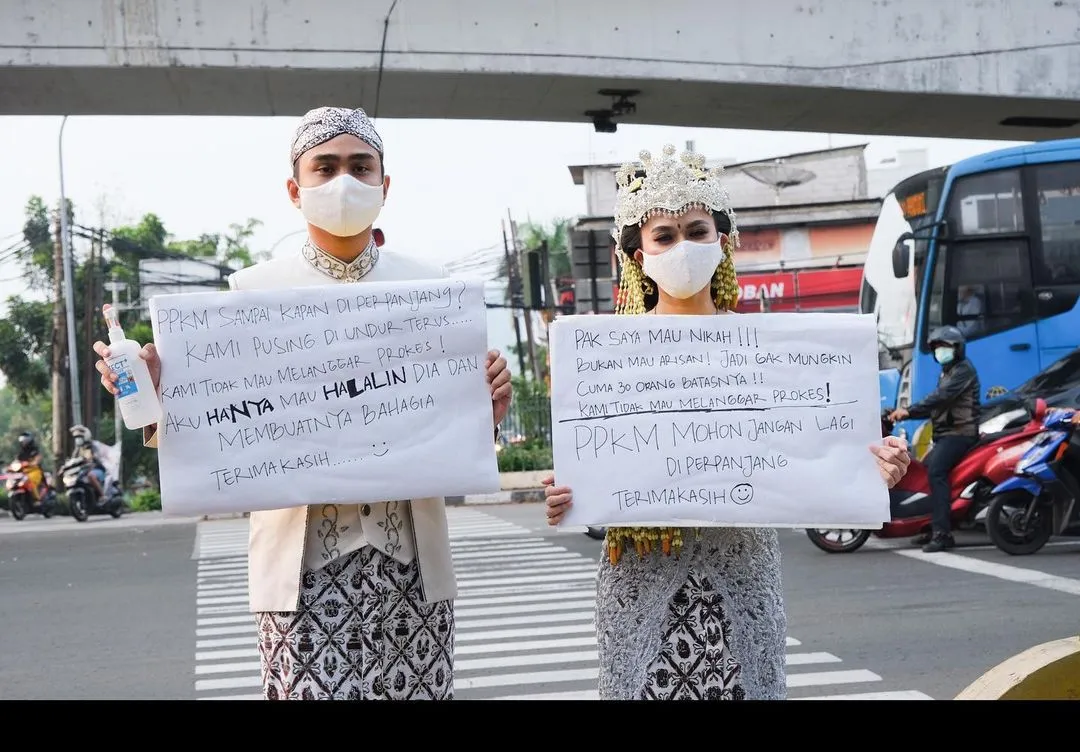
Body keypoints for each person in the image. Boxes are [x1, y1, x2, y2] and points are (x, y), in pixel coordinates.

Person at [92, 106, 513, 700]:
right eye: (326, 167)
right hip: (301, 578)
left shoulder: (432, 291)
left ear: (385, 185)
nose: (345, 181)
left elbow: (450, 433)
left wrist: (483, 415)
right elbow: (218, 430)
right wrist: (160, 395)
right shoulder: (248, 295)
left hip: (413, 574)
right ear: (295, 189)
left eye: (361, 167)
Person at [542, 144, 911, 700]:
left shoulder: (776, 354)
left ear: (724, 241)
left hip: (743, 574)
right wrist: (565, 496)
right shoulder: (605, 357)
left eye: (697, 231)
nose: (683, 247)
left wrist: (876, 469)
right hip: (640, 581)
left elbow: (823, 453)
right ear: (638, 257)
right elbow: (592, 473)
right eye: (664, 236)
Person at [889, 325, 980, 552]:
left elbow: (940, 398)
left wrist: (908, 411)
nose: (941, 351)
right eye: (937, 347)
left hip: (960, 434)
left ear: (957, 349)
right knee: (924, 471)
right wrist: (903, 412)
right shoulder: (947, 372)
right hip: (946, 435)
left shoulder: (963, 371)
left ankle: (942, 533)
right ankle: (930, 524)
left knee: (936, 473)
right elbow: (936, 404)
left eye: (945, 346)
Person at [69, 424, 107, 498]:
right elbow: (72, 460)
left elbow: (95, 458)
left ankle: (102, 496)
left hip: (97, 469)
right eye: (76, 437)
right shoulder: (78, 449)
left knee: (91, 476)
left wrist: (92, 459)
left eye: (79, 437)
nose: (77, 439)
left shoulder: (92, 446)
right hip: (83, 471)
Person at [15, 431, 46, 501]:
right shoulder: (21, 452)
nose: (23, 443)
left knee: (31, 482)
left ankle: (37, 499)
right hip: (23, 472)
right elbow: (16, 461)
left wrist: (30, 463)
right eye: (22, 442)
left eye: (25, 441)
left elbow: (37, 460)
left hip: (35, 471)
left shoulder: (35, 450)